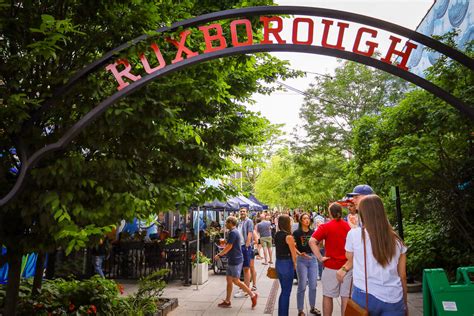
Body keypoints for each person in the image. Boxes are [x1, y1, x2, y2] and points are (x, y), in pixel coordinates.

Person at [337, 195, 408, 315]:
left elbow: (349, 258)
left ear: (363, 214)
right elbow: (403, 275)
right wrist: (404, 302)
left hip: (363, 296)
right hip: (394, 298)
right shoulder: (397, 240)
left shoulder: (354, 235)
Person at [309, 203, 351, 316]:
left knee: (328, 296)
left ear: (330, 213)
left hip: (331, 266)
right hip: (347, 267)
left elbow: (311, 241)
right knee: (345, 297)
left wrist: (320, 257)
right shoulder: (348, 226)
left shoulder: (325, 226)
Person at [214, 216, 258, 308]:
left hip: (235, 260)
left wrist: (219, 255)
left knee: (236, 281)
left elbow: (229, 246)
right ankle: (227, 301)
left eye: (226, 222)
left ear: (231, 223)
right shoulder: (232, 232)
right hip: (232, 259)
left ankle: (252, 295)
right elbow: (230, 245)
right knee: (229, 280)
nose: (225, 224)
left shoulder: (233, 232)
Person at [293, 213, 321, 316]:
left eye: (308, 218)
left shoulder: (314, 232)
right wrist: (299, 253)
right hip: (302, 260)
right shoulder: (296, 233)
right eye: (304, 218)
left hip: (313, 259)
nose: (307, 220)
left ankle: (312, 307)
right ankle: (300, 310)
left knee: (313, 285)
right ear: (301, 221)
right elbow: (293, 246)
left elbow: (318, 245)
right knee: (302, 285)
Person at [275, 214, 298, 316]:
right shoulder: (288, 236)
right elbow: (294, 255)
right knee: (286, 292)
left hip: (279, 263)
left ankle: (282, 313)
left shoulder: (277, 234)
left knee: (283, 291)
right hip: (286, 264)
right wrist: (295, 265)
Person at [235, 207, 257, 298]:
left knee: (246, 268)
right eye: (241, 211)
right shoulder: (239, 222)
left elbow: (250, 233)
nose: (242, 213)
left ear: (247, 213)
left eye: (244, 211)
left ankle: (246, 290)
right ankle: (245, 288)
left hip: (245, 247)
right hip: (240, 247)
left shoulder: (249, 221)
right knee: (244, 268)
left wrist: (247, 246)